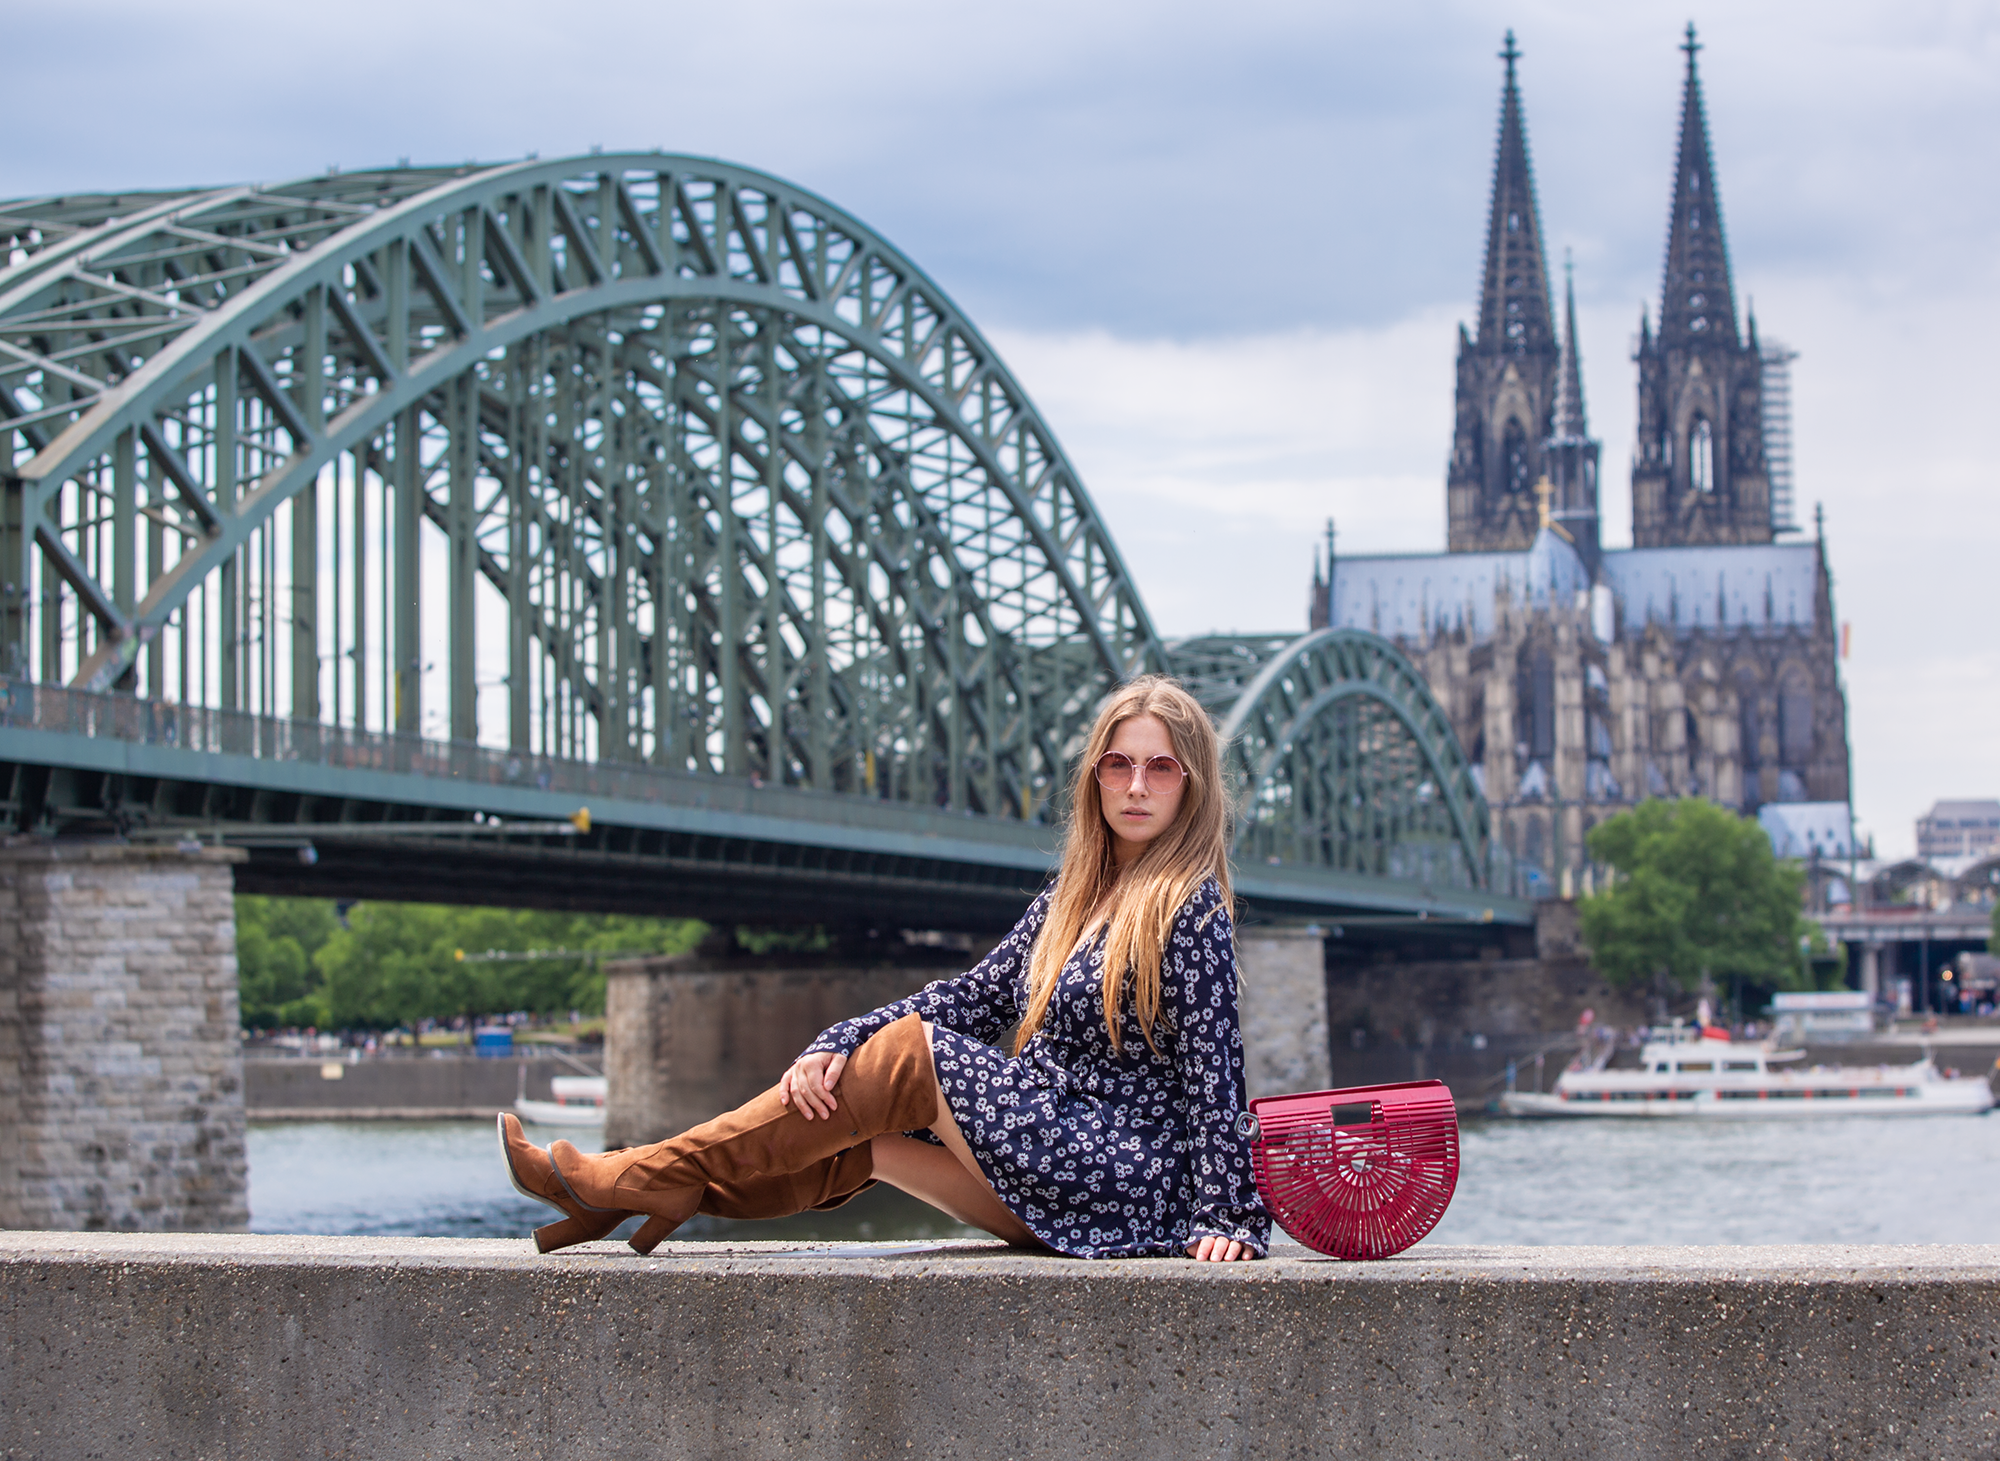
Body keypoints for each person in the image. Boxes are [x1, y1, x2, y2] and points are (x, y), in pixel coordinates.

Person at [500, 674, 1270, 1261]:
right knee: (863, 1140)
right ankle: (639, 1195)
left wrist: (1229, 1215)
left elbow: (1217, 1074)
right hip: (1056, 1171)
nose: (1136, 786)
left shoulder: (1189, 908)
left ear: (1191, 784)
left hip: (1130, 1177)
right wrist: (839, 1037)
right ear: (1094, 776)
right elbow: (973, 996)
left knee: (913, 1053)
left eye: (1161, 767)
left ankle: (627, 1175)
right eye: (1119, 763)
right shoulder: (1072, 898)